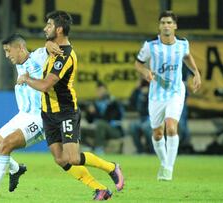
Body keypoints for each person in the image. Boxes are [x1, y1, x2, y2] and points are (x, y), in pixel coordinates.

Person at [17, 11, 124, 200]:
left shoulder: (65, 56)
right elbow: (48, 46)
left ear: (58, 29)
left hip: (66, 112)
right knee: (60, 159)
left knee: (73, 158)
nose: (44, 28)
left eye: (49, 25)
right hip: (48, 112)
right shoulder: (53, 47)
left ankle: (111, 167)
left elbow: (44, 85)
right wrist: (48, 43)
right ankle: (100, 189)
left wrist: (26, 78)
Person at [0, 33, 61, 198]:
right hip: (22, 116)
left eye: (9, 51)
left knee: (6, 144)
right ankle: (16, 169)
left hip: (40, 118)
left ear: (21, 48)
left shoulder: (37, 57)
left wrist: (49, 43)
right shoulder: (19, 64)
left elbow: (48, 48)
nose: (7, 55)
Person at [135, 10, 201, 181]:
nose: (166, 26)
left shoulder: (182, 44)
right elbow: (138, 64)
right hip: (156, 94)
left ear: (175, 26)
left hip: (176, 92)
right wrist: (146, 72)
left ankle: (168, 169)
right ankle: (164, 163)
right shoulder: (150, 45)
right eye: (163, 22)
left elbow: (187, 57)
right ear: (159, 26)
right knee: (157, 133)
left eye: (169, 23)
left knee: (171, 127)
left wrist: (196, 73)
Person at [83, 81, 125, 153]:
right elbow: (89, 121)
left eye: (101, 90)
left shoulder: (113, 102)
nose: (99, 92)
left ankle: (99, 148)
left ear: (106, 90)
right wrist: (89, 112)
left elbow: (109, 118)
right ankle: (88, 147)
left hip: (115, 130)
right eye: (97, 90)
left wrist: (96, 113)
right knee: (80, 130)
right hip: (99, 129)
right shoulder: (95, 102)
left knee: (100, 124)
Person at [128, 79, 153, 154]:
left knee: (146, 127)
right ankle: (140, 150)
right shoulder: (139, 91)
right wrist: (136, 89)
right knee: (132, 126)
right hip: (142, 118)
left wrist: (147, 94)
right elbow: (131, 102)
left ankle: (152, 150)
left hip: (152, 118)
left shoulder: (153, 87)